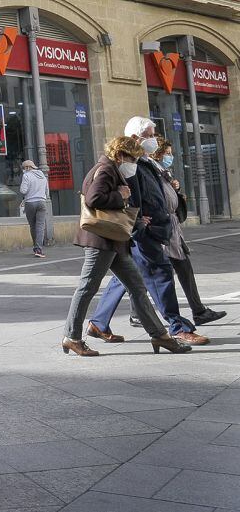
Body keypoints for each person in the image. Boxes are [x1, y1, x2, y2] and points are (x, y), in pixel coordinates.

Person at [61, 136, 190, 356]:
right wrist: (120, 196)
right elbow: (93, 199)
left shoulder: (112, 169)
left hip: (113, 241)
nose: (134, 163)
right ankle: (72, 337)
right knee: (87, 287)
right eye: (132, 158)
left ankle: (160, 335)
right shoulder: (106, 170)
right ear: (120, 155)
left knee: (137, 286)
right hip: (101, 240)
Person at [88, 117, 209, 346]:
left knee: (126, 278)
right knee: (160, 273)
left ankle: (98, 322)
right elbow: (129, 195)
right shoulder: (132, 165)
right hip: (145, 230)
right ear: (136, 138)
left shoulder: (146, 162)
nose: (155, 139)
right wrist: (140, 224)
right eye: (151, 135)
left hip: (151, 227)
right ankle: (177, 327)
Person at [152, 139, 226, 326]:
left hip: (172, 229)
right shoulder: (152, 172)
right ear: (158, 153)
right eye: (168, 153)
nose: (171, 156)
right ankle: (135, 313)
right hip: (162, 230)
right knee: (142, 274)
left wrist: (175, 190)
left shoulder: (163, 172)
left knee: (183, 267)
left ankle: (199, 311)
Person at [20, 160, 49, 258]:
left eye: (24, 168)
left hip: (30, 203)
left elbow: (23, 190)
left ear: (28, 167)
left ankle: (35, 247)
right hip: (42, 202)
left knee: (33, 226)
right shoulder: (43, 176)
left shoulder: (26, 176)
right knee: (40, 226)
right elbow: (47, 191)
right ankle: (39, 249)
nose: (24, 170)